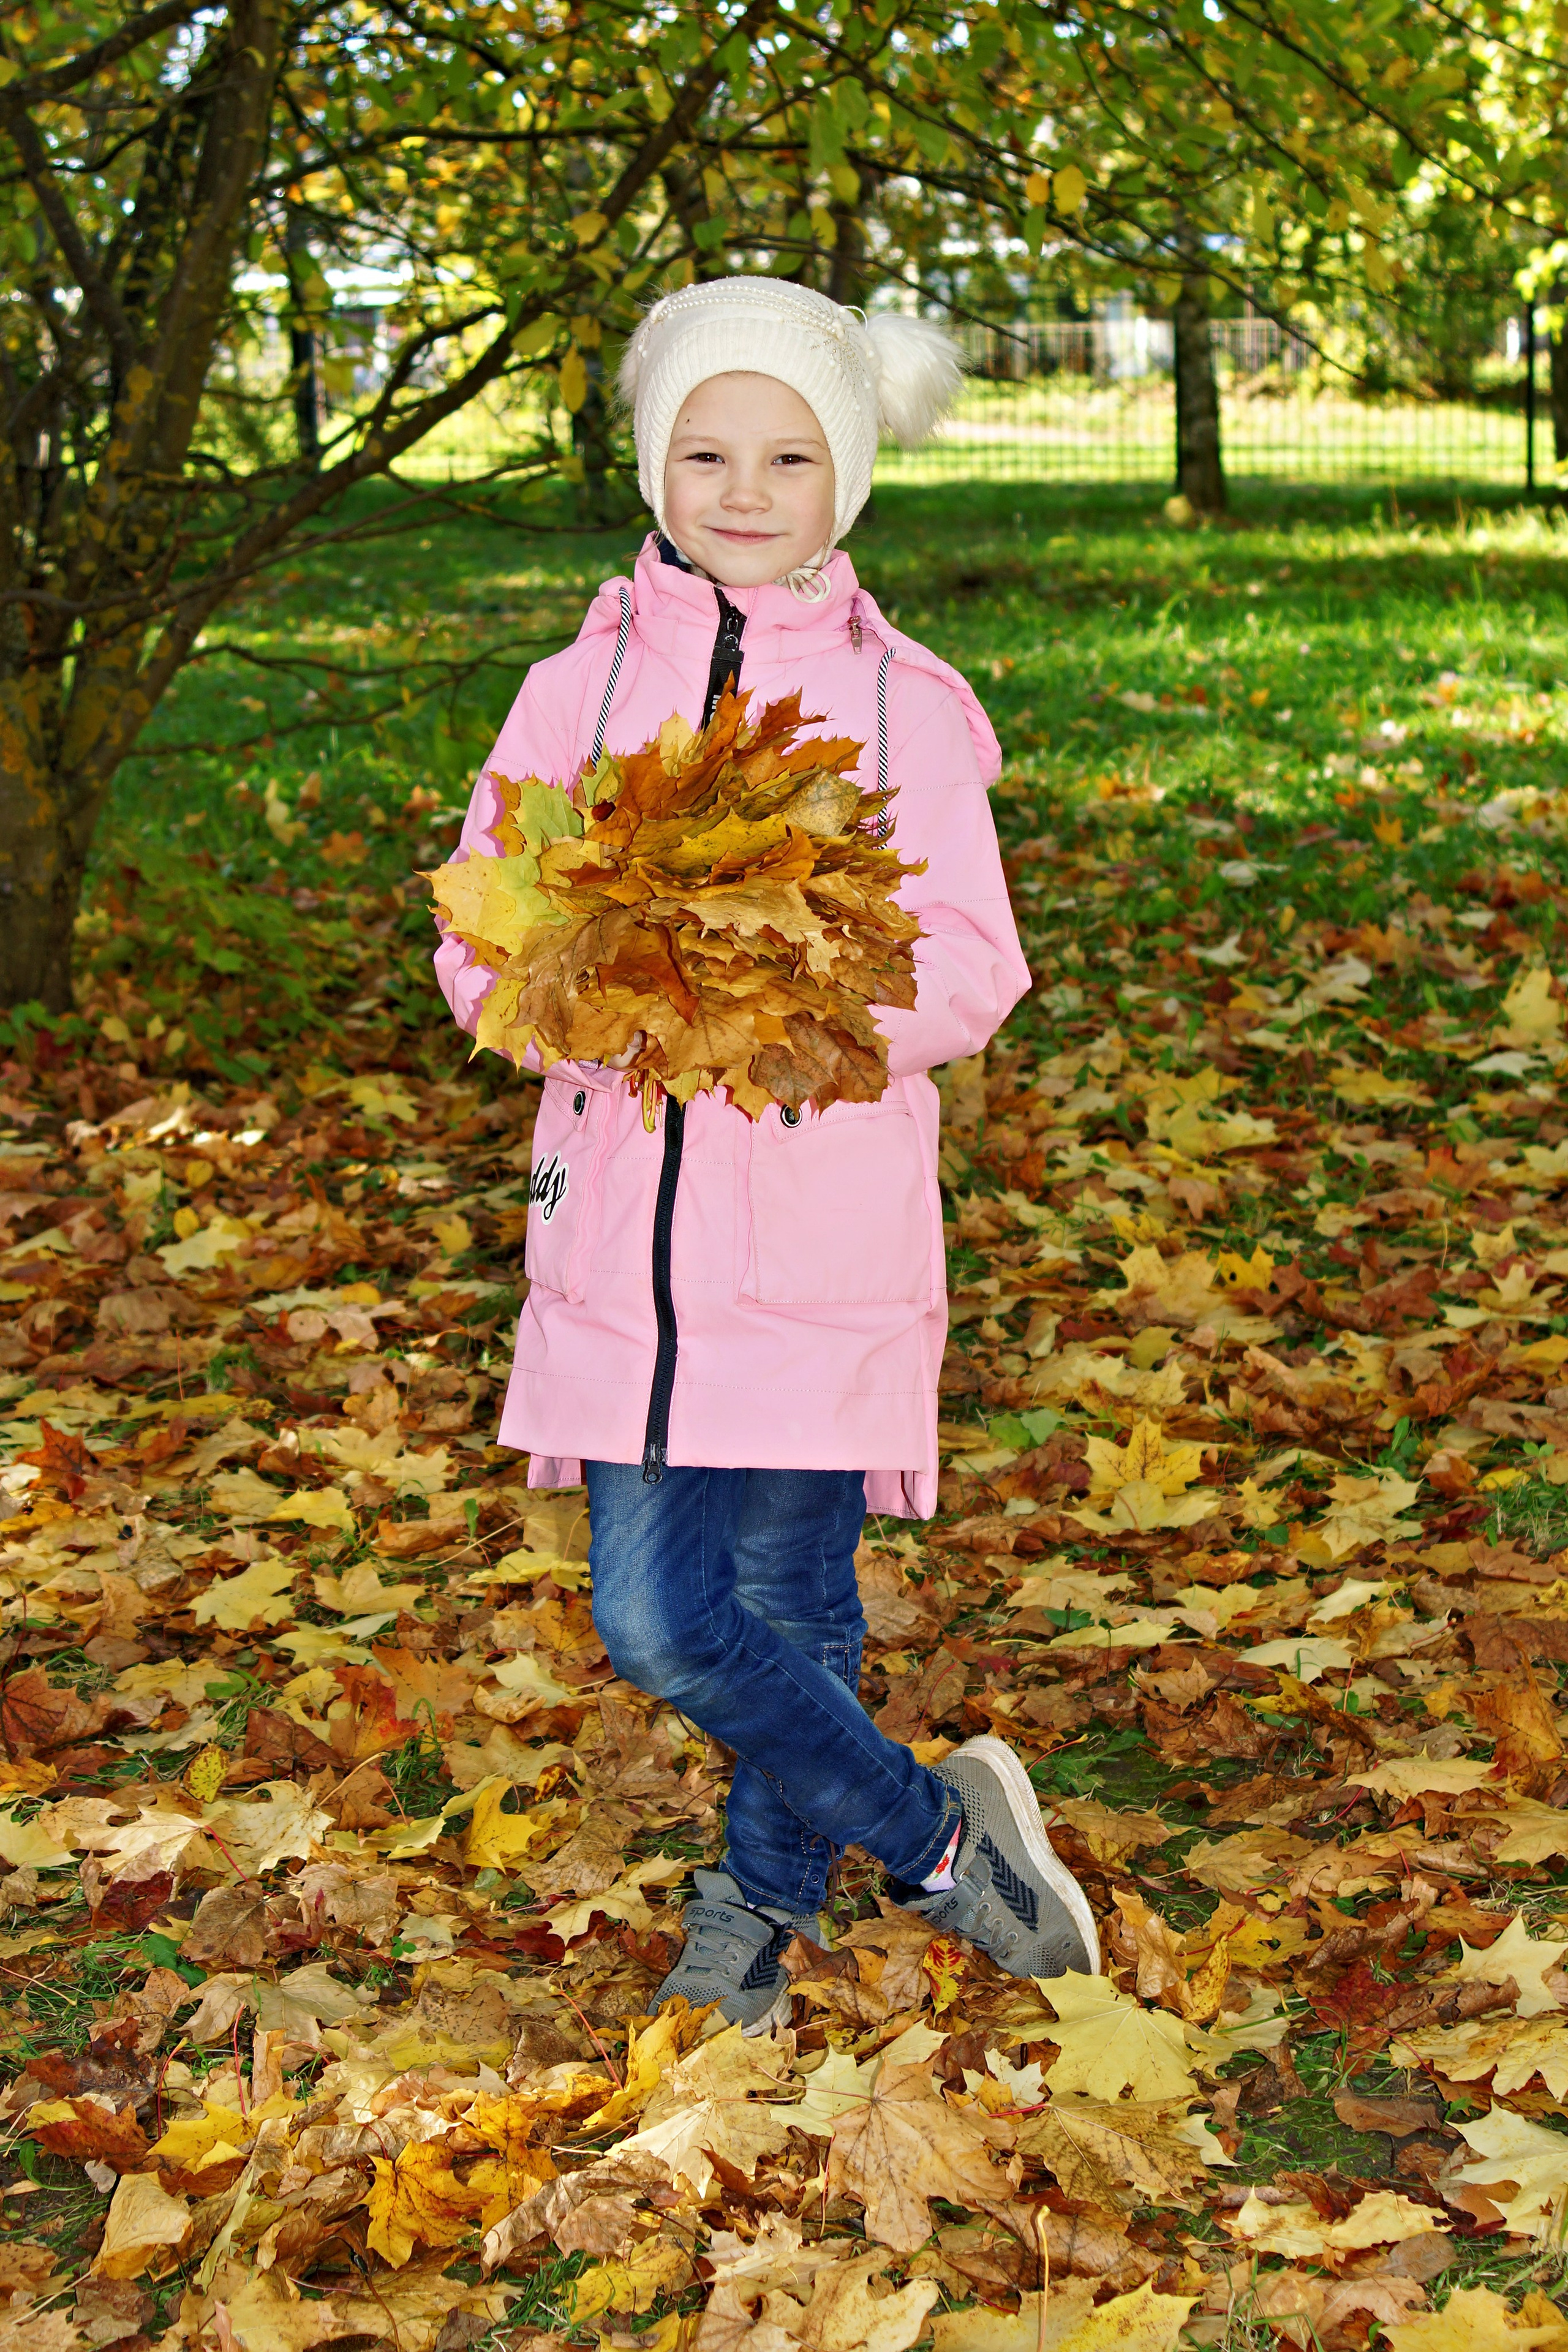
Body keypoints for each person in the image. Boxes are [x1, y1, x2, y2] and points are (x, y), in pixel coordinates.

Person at [434, 277, 1098, 2031]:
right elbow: (479, 935)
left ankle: (756, 1912)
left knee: (794, 1600)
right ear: (655, 462)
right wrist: (583, 995)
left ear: (850, 474)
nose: (744, 488)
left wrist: (784, 1006)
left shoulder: (907, 710)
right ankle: (935, 1836)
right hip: (621, 1267)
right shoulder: (572, 689)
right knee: (656, 1622)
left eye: (790, 455)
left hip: (818, 1238)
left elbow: (974, 965)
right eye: (707, 449)